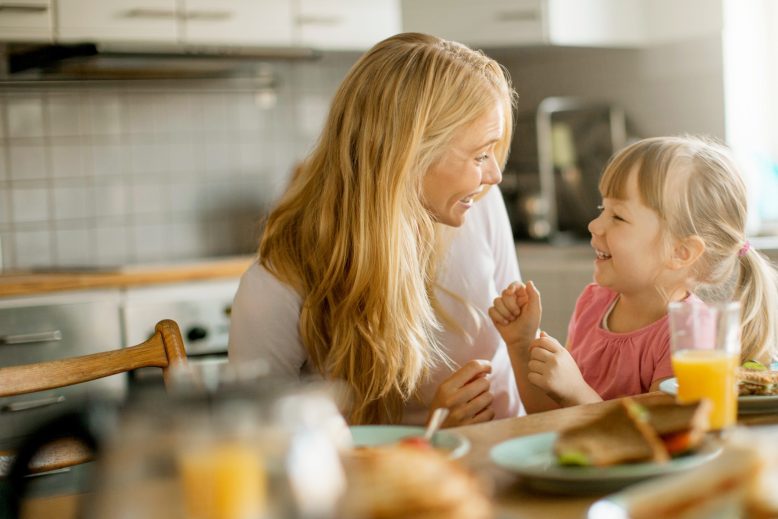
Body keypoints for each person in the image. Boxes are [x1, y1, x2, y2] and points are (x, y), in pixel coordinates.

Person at [229, 32, 524, 426]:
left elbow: (516, 345)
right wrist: (429, 432)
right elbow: (262, 447)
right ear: (410, 153)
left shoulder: (480, 206)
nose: (495, 174)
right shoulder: (278, 284)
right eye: (480, 154)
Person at [490, 135, 778, 413]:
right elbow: (549, 415)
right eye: (603, 208)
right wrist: (520, 344)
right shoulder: (594, 302)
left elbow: (661, 436)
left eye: (618, 216)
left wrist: (577, 392)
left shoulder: (689, 333)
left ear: (680, 252)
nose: (594, 225)